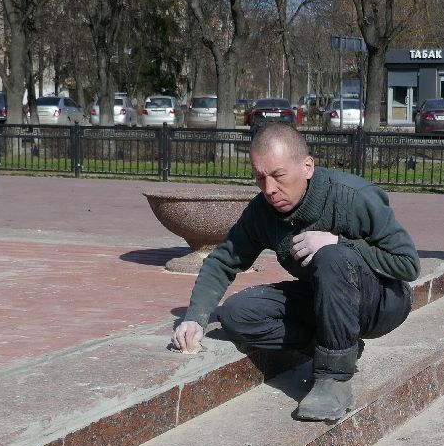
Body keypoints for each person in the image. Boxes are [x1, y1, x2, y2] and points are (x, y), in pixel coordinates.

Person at [169, 123, 420, 423]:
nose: (269, 189)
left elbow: (407, 264)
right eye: (260, 178)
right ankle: (335, 344)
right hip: (325, 298)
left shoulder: (352, 196)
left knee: (332, 256)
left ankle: (334, 380)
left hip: (381, 302)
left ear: (307, 167)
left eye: (278, 176)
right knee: (236, 315)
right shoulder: (262, 211)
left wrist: (340, 243)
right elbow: (223, 261)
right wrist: (195, 317)